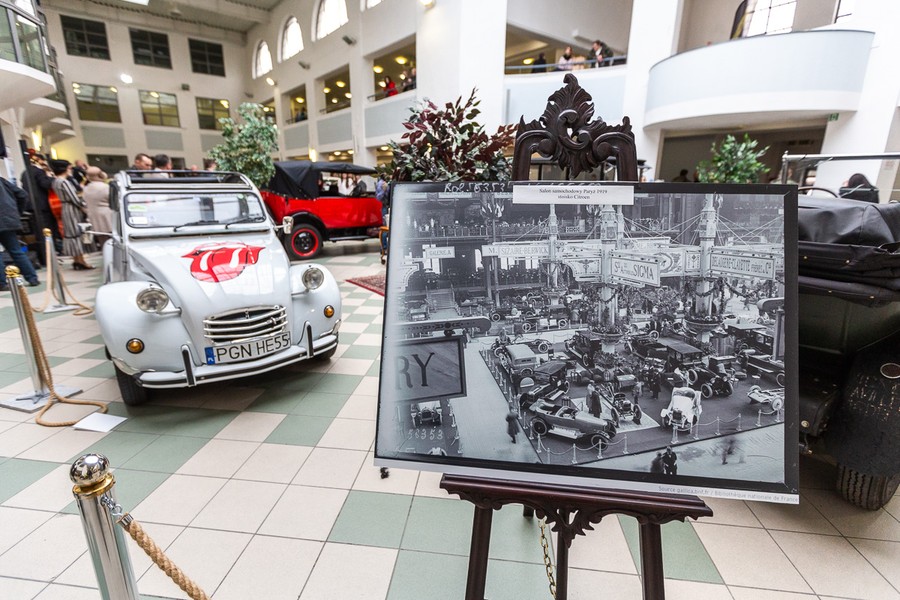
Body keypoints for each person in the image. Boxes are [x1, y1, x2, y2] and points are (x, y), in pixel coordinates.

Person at [49, 160, 93, 270]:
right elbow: (74, 198)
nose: (70, 170)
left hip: (65, 209)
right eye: (69, 168)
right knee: (77, 233)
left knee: (71, 233)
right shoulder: (64, 182)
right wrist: (84, 205)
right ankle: (81, 260)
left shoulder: (55, 181)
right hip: (72, 209)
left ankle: (77, 260)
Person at [0, 176, 40, 290]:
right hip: (8, 220)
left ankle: (2, 283)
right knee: (16, 251)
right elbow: (22, 194)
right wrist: (17, 212)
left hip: (7, 219)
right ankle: (32, 278)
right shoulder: (2, 180)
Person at [82, 167, 112, 247]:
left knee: (103, 241)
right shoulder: (106, 187)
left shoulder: (86, 188)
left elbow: (84, 203)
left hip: (93, 216)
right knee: (112, 240)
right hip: (108, 216)